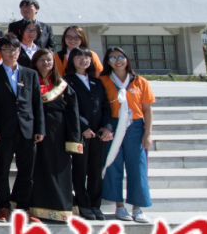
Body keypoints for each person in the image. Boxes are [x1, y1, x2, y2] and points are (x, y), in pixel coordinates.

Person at [0, 35, 44, 222]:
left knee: (27, 171)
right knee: (2, 170)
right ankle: (3, 207)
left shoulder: (30, 74)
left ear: (20, 52)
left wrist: (39, 128)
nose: (11, 53)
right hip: (3, 129)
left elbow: (37, 103)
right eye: (7, 50)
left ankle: (24, 207)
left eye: (15, 50)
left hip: (27, 128)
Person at [100, 47, 155, 224]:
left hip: (135, 127)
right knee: (113, 165)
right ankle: (119, 206)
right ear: (107, 62)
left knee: (137, 167)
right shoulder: (103, 80)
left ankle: (137, 207)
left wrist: (148, 133)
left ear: (127, 59)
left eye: (120, 57)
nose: (117, 61)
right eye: (112, 58)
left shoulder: (140, 81)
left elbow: (147, 109)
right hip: (113, 125)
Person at [29, 49, 83, 222]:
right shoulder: (29, 81)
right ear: (35, 62)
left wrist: (73, 139)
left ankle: (61, 208)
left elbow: (72, 113)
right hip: (34, 131)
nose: (46, 63)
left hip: (58, 132)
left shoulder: (63, 85)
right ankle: (34, 207)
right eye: (42, 60)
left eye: (49, 60)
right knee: (37, 168)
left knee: (59, 169)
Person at [65, 48, 114, 221]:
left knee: (96, 170)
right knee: (80, 169)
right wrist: (83, 127)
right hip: (80, 134)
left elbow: (105, 105)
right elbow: (69, 107)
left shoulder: (96, 82)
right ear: (72, 60)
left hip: (98, 134)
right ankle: (83, 204)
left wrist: (107, 127)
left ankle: (95, 204)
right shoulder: (66, 81)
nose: (83, 60)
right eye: (79, 57)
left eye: (87, 57)